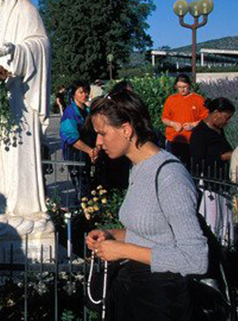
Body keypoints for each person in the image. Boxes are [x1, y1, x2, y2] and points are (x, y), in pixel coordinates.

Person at [85, 90, 208, 321]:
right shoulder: (139, 168)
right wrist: (112, 235)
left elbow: (195, 259)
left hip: (162, 303)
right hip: (135, 296)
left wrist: (122, 250)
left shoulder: (169, 175)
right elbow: (153, 233)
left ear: (126, 129)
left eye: (102, 133)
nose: (98, 142)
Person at [0, 0, 51, 217]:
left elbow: (41, 45)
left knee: (16, 147)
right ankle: (4, 198)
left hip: (20, 99)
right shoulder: (1, 16)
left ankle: (22, 206)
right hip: (1, 95)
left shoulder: (26, 11)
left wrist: (16, 50)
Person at [60, 80, 97, 197]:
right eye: (81, 92)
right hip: (75, 153)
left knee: (90, 185)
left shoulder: (87, 111)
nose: (84, 95)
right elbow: (71, 138)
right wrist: (90, 151)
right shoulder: (70, 112)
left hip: (88, 152)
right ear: (73, 94)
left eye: (86, 92)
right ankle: (83, 210)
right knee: (81, 187)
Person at [161, 74, 208, 164]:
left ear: (189, 85)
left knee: (191, 168)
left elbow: (206, 119)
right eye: (179, 87)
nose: (182, 89)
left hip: (191, 140)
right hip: (173, 139)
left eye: (184, 87)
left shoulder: (198, 99)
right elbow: (164, 118)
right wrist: (173, 124)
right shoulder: (171, 99)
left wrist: (193, 125)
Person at [188, 97, 235, 176]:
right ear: (216, 114)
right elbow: (196, 161)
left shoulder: (218, 129)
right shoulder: (200, 133)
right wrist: (223, 157)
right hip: (209, 180)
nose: (227, 122)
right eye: (226, 118)